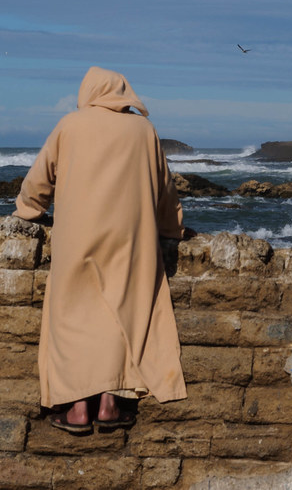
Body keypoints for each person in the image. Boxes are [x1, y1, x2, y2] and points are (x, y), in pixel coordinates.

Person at [14, 66, 188, 434]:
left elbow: (39, 181)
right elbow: (165, 190)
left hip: (77, 236)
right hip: (131, 238)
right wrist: (172, 230)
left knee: (73, 317)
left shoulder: (70, 125)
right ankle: (109, 404)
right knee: (121, 312)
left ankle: (78, 408)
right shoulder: (144, 131)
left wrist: (28, 211)